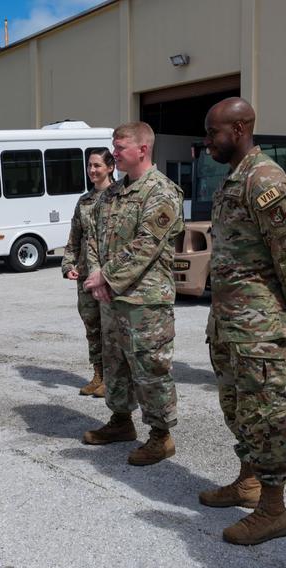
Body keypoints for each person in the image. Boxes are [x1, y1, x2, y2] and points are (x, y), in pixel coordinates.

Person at [196, 97, 286, 546]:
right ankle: (248, 482)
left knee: (265, 414)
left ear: (241, 128)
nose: (208, 142)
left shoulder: (264, 179)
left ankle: (274, 509)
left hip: (257, 323)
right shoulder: (234, 178)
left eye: (214, 133)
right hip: (228, 321)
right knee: (237, 408)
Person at [81, 121, 185, 466]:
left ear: (142, 149)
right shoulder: (112, 194)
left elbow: (146, 245)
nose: (114, 154)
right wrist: (97, 275)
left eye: (120, 148)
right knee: (116, 365)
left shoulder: (162, 192)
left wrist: (106, 278)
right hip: (112, 299)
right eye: (113, 147)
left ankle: (160, 437)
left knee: (150, 369)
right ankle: (121, 422)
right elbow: (94, 237)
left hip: (146, 303)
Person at [62, 149, 116, 397]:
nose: (92, 171)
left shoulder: (119, 197)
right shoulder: (83, 202)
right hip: (85, 276)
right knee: (92, 328)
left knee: (110, 330)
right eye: (89, 166)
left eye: (97, 166)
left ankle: (114, 379)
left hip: (109, 276)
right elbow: (74, 239)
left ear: (110, 167)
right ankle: (99, 375)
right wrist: (68, 265)